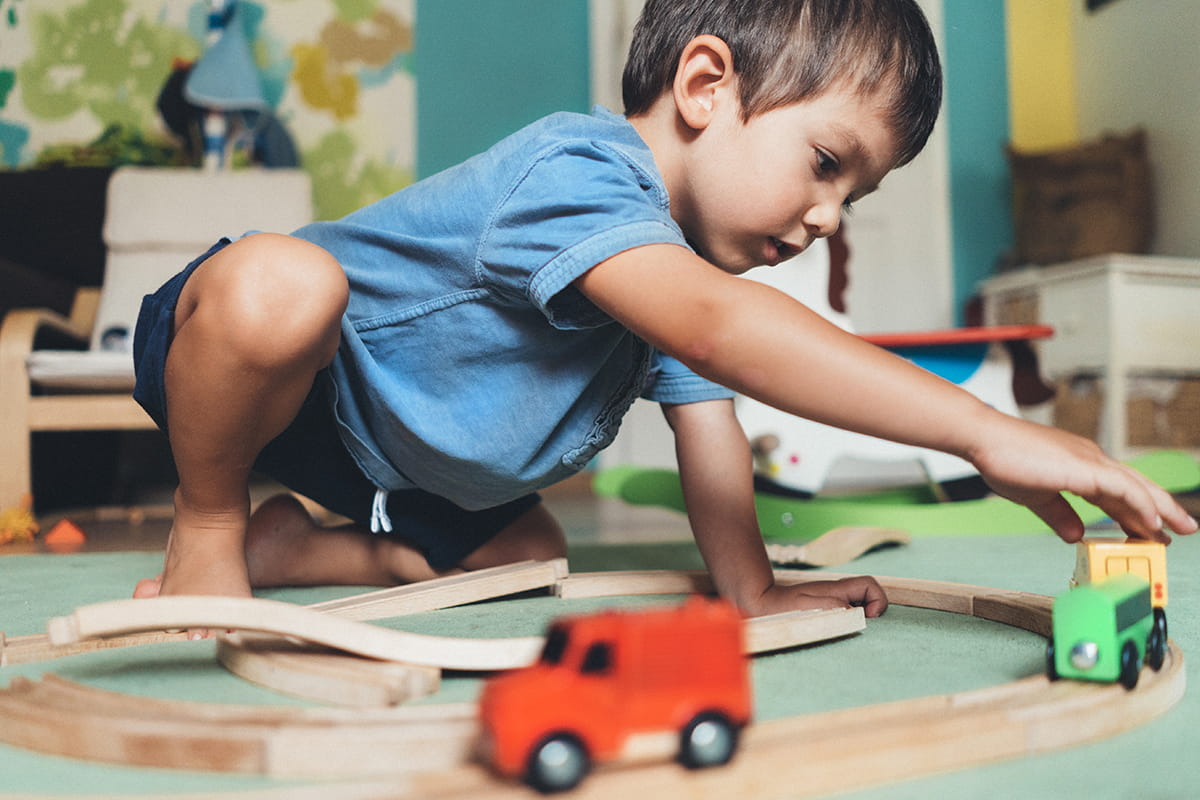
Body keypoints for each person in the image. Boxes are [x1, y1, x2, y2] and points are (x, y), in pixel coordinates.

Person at [131, 0, 1195, 636]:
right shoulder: (584, 170)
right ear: (703, 83)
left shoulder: (673, 273)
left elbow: (711, 432)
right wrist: (982, 426)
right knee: (283, 281)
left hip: (384, 465)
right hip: (269, 371)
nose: (828, 216)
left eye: (854, 197)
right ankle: (216, 519)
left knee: (526, 555)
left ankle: (296, 549)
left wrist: (753, 587)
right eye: (826, 164)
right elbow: (717, 330)